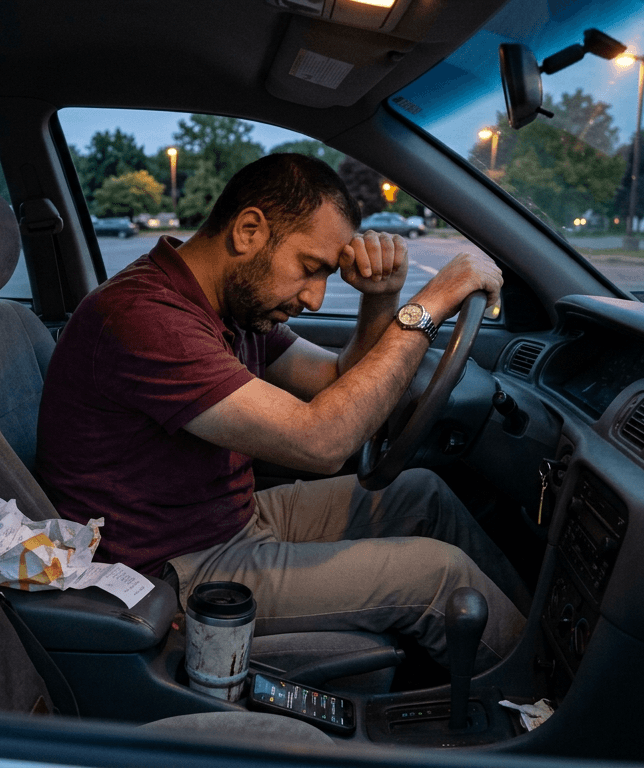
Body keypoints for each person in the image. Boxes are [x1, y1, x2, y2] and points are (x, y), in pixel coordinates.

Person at [36, 153, 527, 669]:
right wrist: (429, 305)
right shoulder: (146, 318)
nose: (315, 299)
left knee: (424, 494)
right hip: (173, 568)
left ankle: (533, 634)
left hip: (232, 519)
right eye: (310, 269)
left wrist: (382, 299)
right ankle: (539, 701)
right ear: (249, 230)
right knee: (441, 575)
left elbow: (339, 384)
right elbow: (321, 441)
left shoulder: (230, 304)